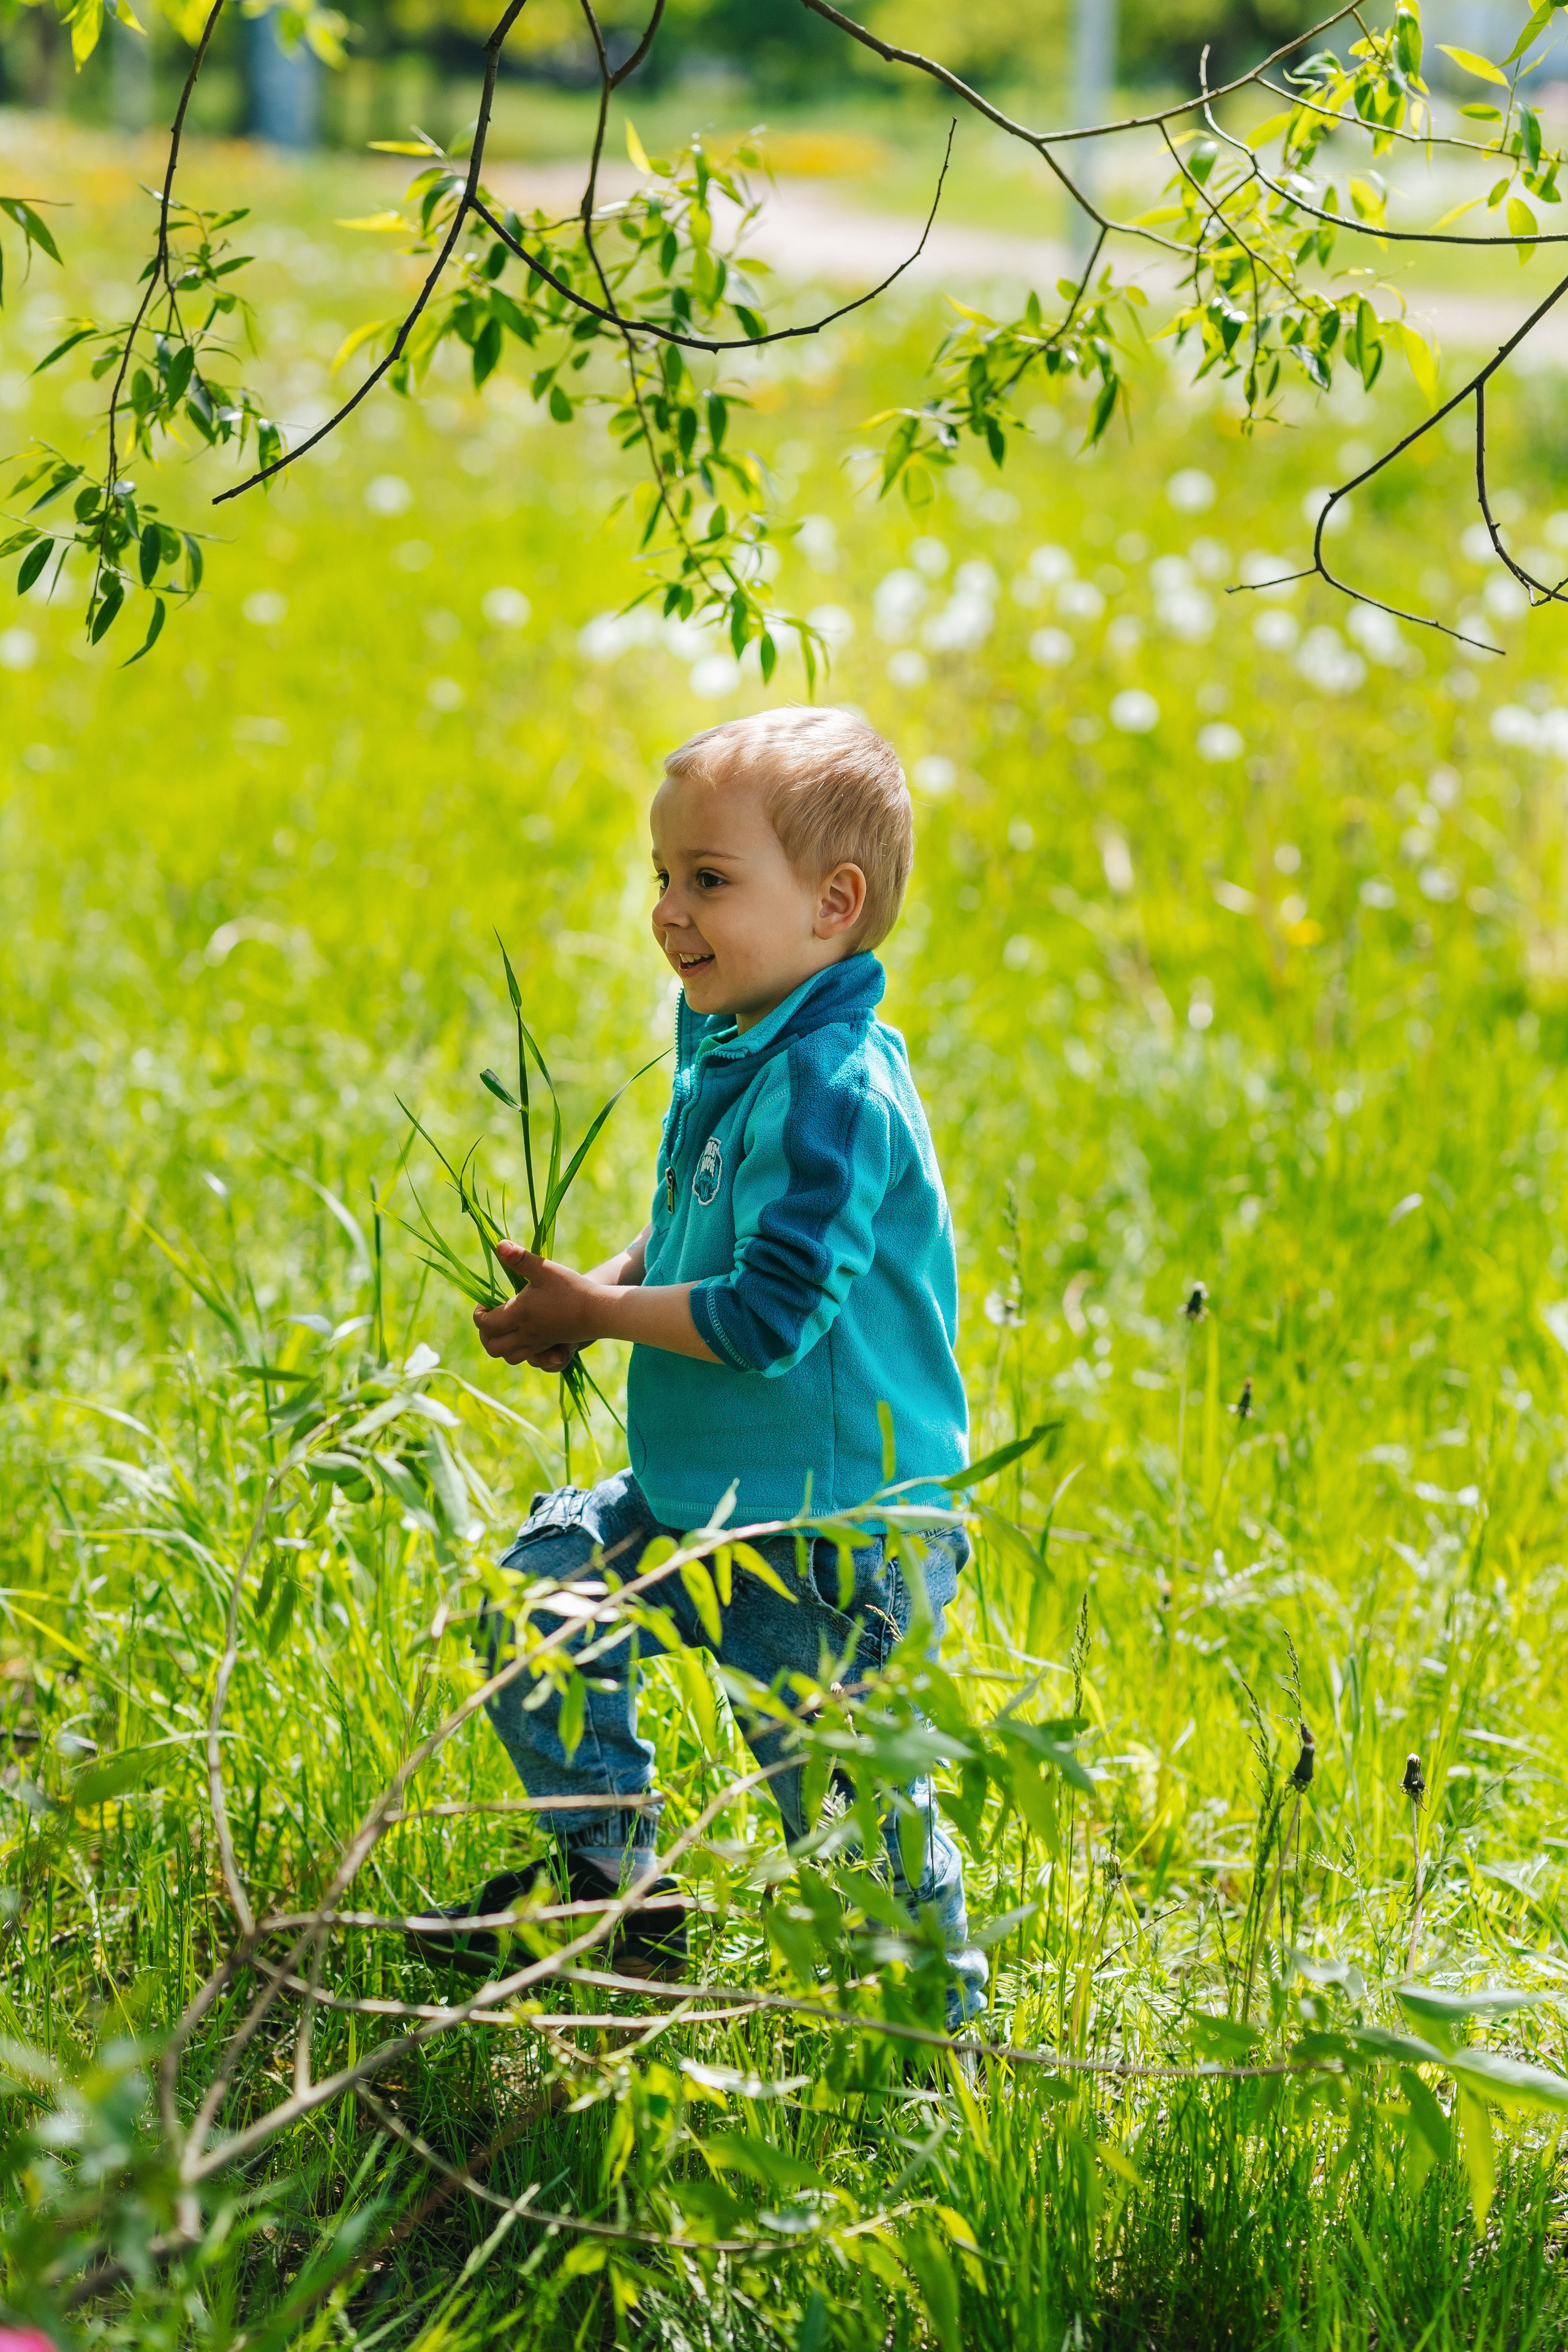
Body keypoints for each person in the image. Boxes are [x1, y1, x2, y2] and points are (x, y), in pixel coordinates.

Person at [409, 706, 986, 2024]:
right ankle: (617, 1893)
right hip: (710, 1492)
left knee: (846, 1818)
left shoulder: (833, 1084)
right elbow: (705, 1236)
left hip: (830, 1528)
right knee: (540, 1612)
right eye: (659, 878)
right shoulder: (741, 1042)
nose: (667, 913)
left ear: (832, 905)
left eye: (707, 881)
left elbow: (769, 1313)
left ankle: (929, 2049)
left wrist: (608, 1320)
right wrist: (596, 1290)